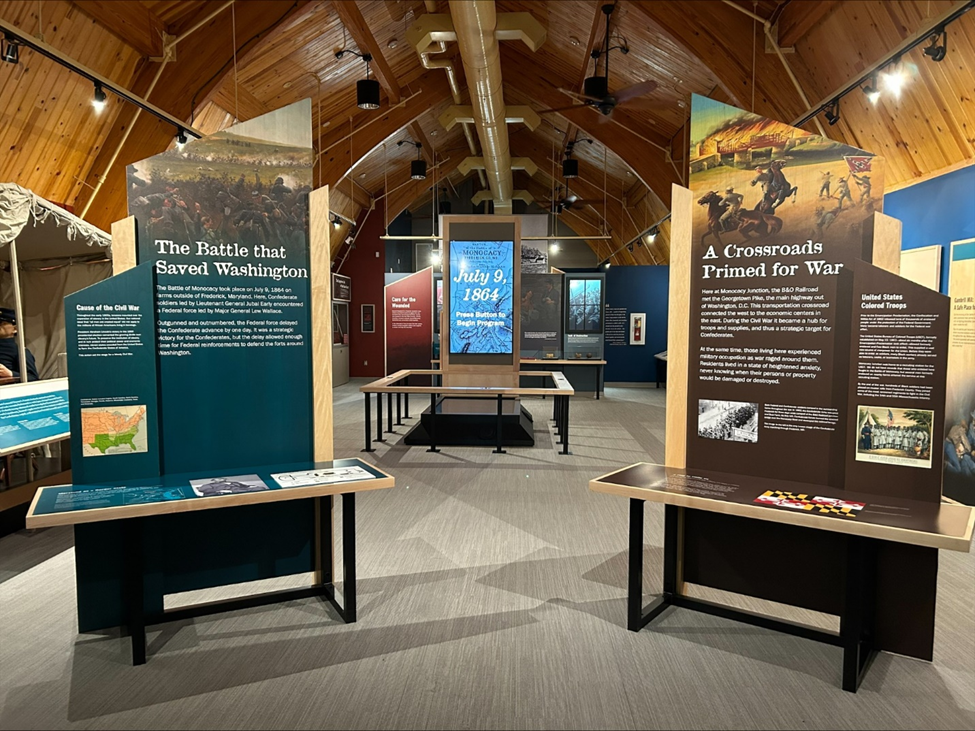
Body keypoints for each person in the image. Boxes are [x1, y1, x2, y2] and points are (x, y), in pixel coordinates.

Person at [0, 308, 39, 384]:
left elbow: (33, 378)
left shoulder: (20, 352)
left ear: (15, 328)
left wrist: (10, 374)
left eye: (2, 323)